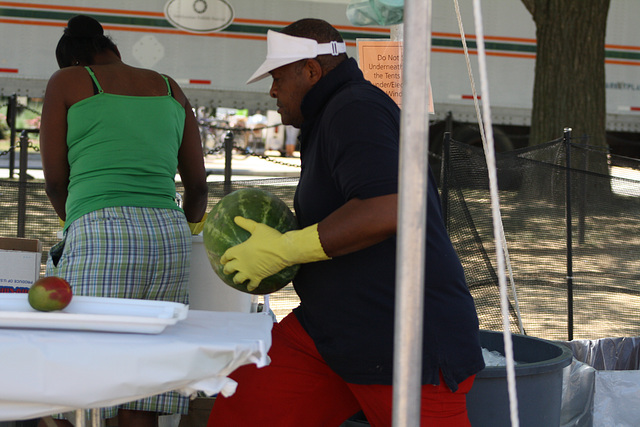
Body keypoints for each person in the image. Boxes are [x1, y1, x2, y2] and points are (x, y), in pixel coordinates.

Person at [207, 18, 484, 426]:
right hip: (329, 330)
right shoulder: (332, 114)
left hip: (403, 343)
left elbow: (390, 207)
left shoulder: (355, 109)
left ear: (312, 71)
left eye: (278, 77)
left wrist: (286, 249)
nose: (272, 90)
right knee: (243, 409)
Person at [39, 15, 208, 427]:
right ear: (110, 47)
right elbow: (199, 187)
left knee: (76, 387)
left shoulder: (67, 82)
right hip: (168, 238)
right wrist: (183, 229)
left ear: (75, 60)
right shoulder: (170, 87)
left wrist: (79, 220)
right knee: (142, 387)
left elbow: (56, 180)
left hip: (98, 231)